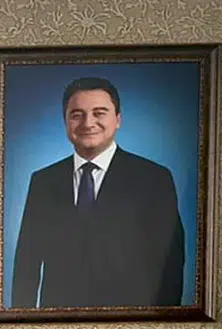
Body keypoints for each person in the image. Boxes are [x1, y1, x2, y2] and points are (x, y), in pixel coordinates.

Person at [10, 77, 186, 309]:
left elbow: (170, 263)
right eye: (77, 114)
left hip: (129, 320)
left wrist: (162, 322)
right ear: (65, 121)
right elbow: (27, 263)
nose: (88, 123)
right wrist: (22, 321)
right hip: (57, 321)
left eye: (99, 113)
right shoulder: (43, 181)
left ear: (118, 119)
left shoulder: (154, 178)